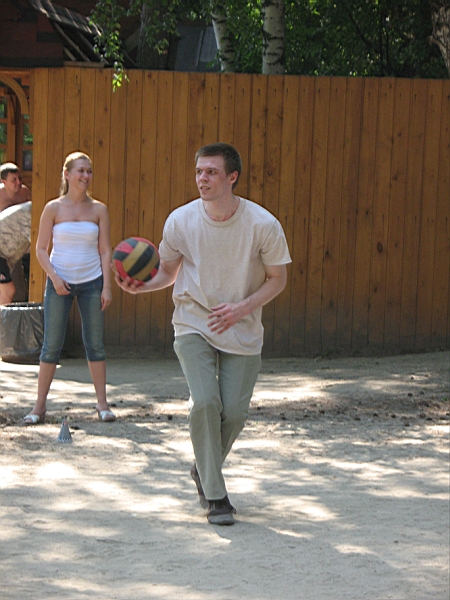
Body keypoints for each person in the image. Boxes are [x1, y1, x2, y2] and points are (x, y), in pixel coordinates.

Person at [116, 142, 291, 525]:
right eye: (199, 171)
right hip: (193, 320)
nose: (202, 178)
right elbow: (168, 271)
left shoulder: (262, 224)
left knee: (235, 413)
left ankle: (203, 468)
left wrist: (242, 308)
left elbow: (278, 279)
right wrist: (141, 287)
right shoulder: (181, 220)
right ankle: (216, 497)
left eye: (211, 172)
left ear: (232, 177)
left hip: (242, 326)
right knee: (205, 402)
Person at [23, 152, 115, 425]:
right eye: (80, 171)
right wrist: (54, 277)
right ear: (67, 174)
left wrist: (106, 287)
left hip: (92, 282)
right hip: (59, 282)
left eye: (89, 171)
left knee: (95, 344)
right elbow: (41, 249)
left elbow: (105, 250)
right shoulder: (53, 208)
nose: (86, 176)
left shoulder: (99, 209)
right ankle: (39, 407)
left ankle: (102, 405)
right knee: (51, 345)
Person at [0, 163, 32, 303]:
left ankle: (12, 313)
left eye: (20, 178)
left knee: (18, 289)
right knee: (8, 289)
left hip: (17, 247)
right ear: (4, 182)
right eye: (14, 180)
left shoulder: (24, 192)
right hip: (2, 246)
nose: (18, 182)